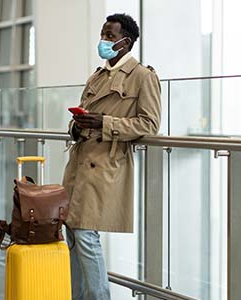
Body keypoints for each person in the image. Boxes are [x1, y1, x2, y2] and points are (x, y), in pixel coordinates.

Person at [63, 13, 161, 300]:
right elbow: (81, 114)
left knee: (85, 235)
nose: (103, 40)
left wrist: (104, 123)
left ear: (125, 42)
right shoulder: (97, 75)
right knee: (73, 234)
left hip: (107, 165)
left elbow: (149, 124)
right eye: (103, 34)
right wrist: (78, 126)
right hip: (80, 164)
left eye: (109, 35)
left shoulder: (143, 77)